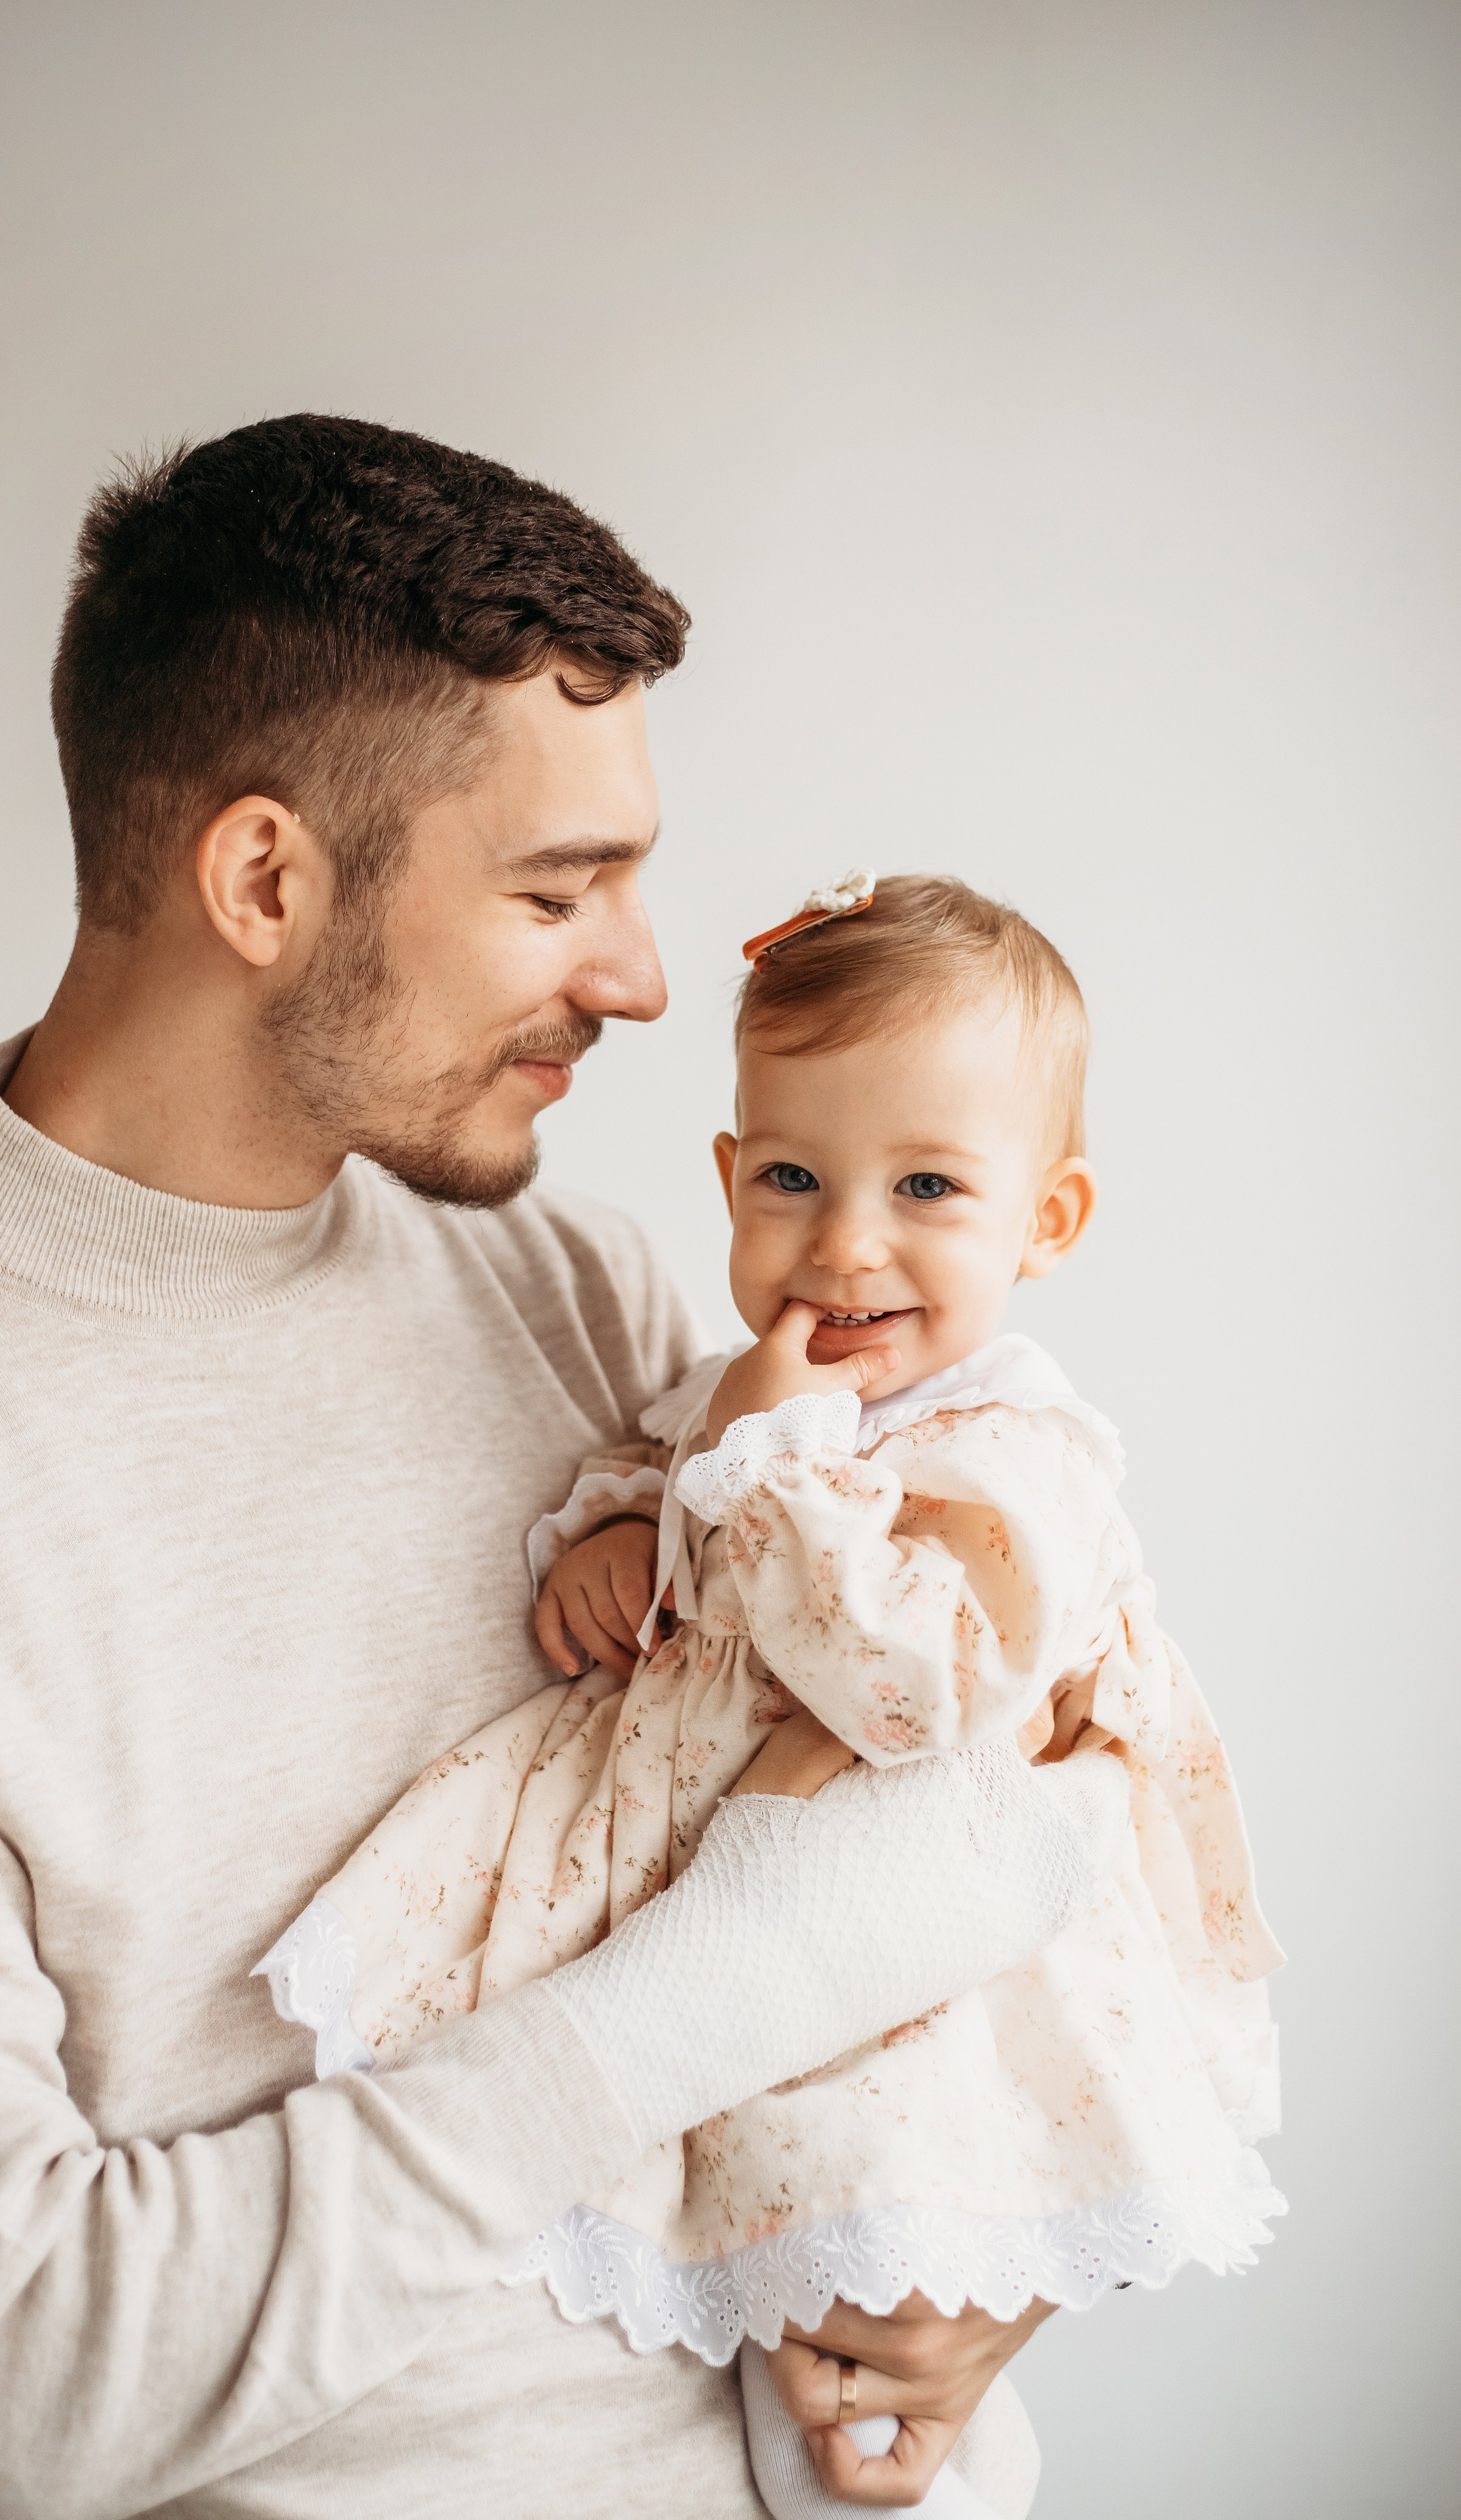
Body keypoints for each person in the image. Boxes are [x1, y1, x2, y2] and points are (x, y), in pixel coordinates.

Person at [0, 417, 1126, 2520]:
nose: (647, 975)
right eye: (557, 887)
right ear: (262, 881)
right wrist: (714, 1993)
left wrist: (981, 2257)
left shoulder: (564, 1281)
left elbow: (963, 1795)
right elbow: (25, 2383)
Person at [250, 873, 1286, 2518]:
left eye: (928, 1186)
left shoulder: (1018, 1462)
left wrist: (759, 1465)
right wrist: (610, 1530)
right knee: (737, 2275)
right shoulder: (756, 1398)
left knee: (850, 2319)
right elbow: (669, 1481)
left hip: (920, 1997)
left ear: (1049, 1220)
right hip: (735, 1947)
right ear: (728, 1176)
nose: (846, 1244)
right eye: (792, 1177)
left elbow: (910, 1685)